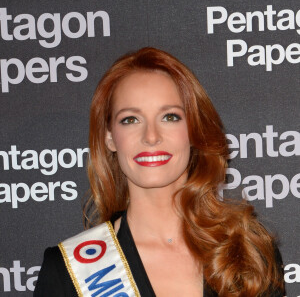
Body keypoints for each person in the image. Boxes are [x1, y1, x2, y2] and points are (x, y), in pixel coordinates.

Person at [34, 47, 285, 297]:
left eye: (170, 117)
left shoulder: (248, 252)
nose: (151, 137)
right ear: (110, 137)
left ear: (194, 129)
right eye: (130, 119)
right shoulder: (66, 273)